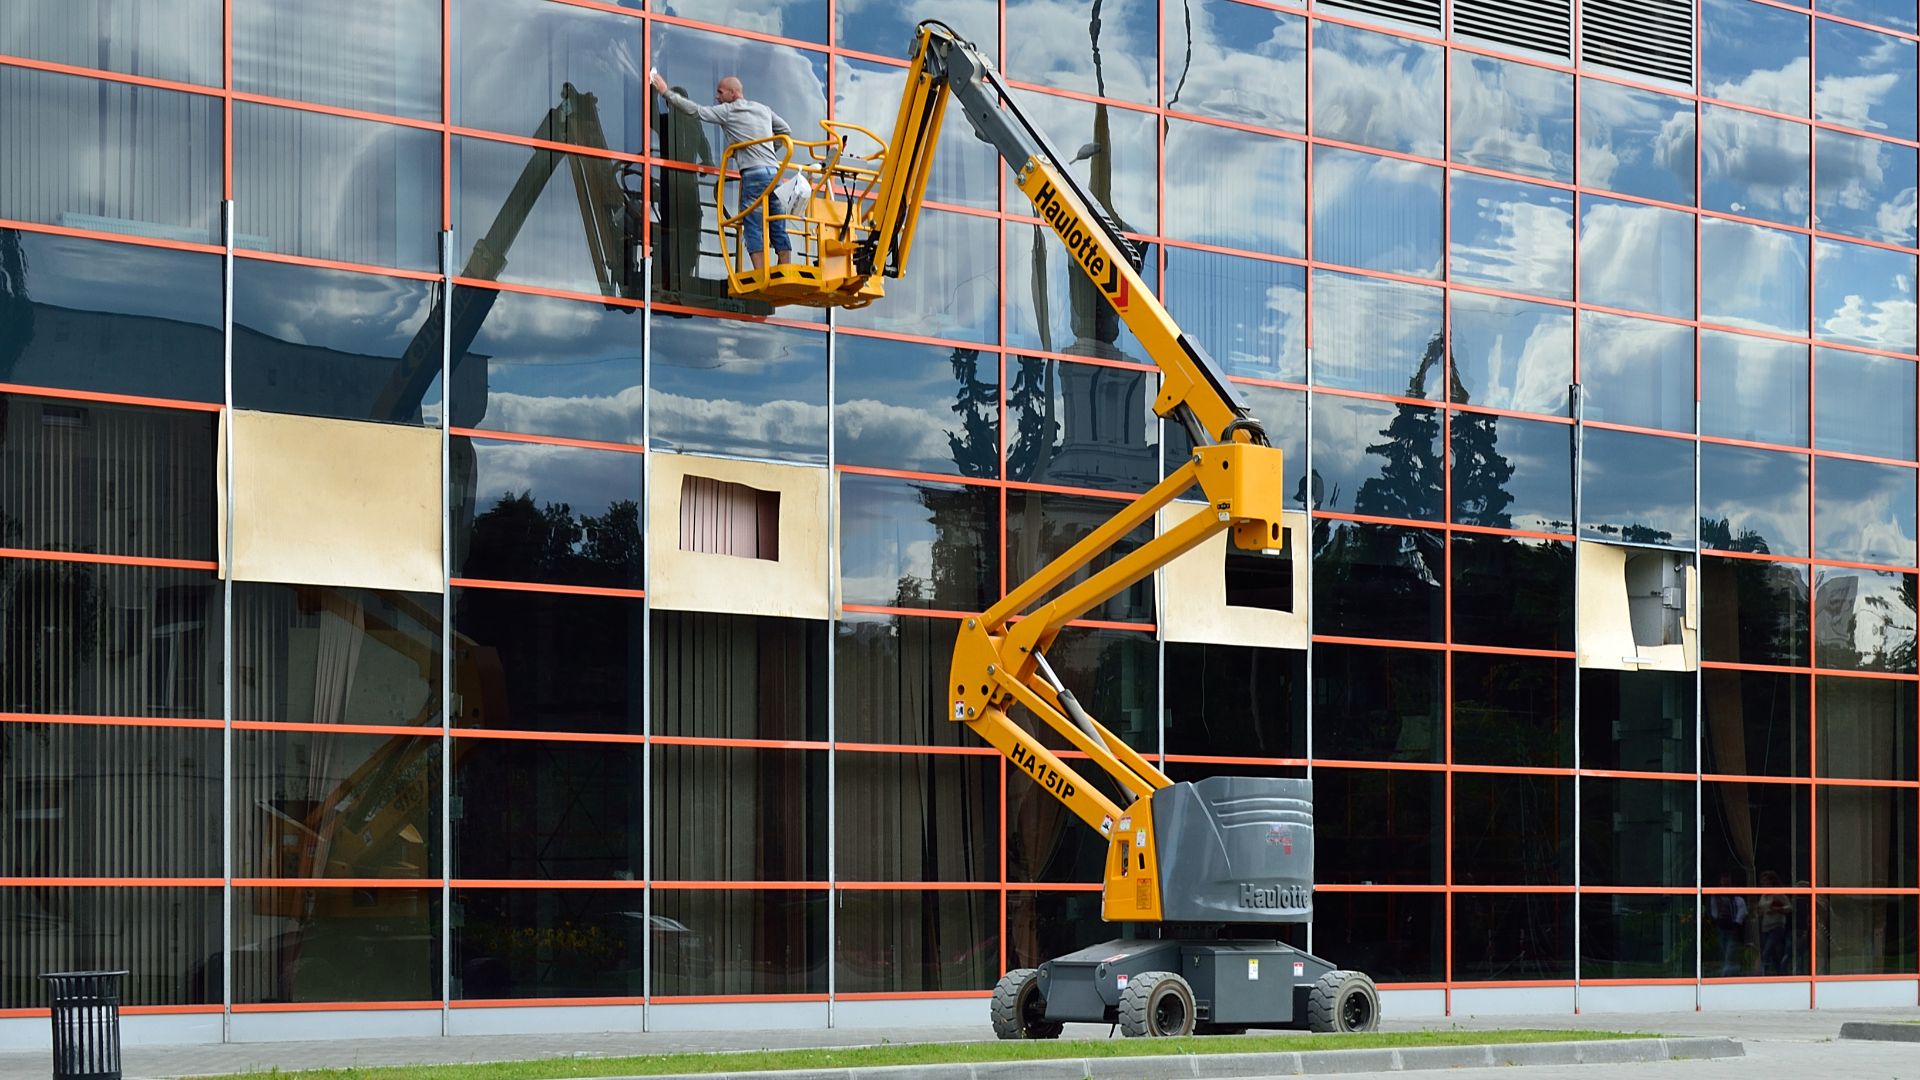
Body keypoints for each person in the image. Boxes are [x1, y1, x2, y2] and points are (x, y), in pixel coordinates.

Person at [649, 69, 792, 270]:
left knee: (752, 224)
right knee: (777, 221)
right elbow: (785, 131)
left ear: (733, 93)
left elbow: (695, 111)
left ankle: (761, 274)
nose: (717, 96)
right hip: (774, 172)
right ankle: (785, 269)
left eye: (720, 92)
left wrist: (664, 92)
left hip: (753, 174)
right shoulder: (763, 109)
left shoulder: (728, 111)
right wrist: (768, 150)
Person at [1707, 872, 1748, 976]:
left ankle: (1728, 972)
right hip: (1721, 926)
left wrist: (1737, 923)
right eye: (1723, 878)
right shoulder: (1716, 895)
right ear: (1720, 881)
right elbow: (1714, 910)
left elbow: (1742, 909)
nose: (1725, 881)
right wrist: (1716, 920)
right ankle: (1727, 971)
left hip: (1733, 927)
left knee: (1731, 949)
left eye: (1727, 878)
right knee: (1723, 948)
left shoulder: (1735, 895)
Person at [1757, 870, 1793, 975]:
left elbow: (1789, 907)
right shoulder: (1763, 896)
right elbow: (1760, 908)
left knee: (1767, 950)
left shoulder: (1778, 894)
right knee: (1773, 954)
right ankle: (1780, 973)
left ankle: (1763, 972)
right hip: (1765, 927)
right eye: (1763, 883)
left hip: (1776, 926)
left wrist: (1778, 909)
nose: (1764, 885)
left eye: (1766, 882)